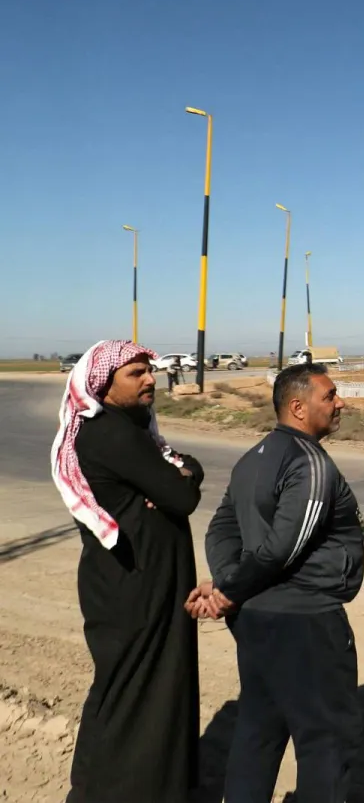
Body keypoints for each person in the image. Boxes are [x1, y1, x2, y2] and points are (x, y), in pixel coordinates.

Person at [198, 361, 364, 803]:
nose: (339, 403)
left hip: (256, 620)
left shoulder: (252, 457)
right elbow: (282, 549)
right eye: (329, 396)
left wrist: (226, 588)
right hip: (306, 624)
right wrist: (228, 592)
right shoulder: (310, 463)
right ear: (297, 407)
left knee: (258, 732)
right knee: (325, 741)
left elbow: (220, 532)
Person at [50, 340, 205, 803]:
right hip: (133, 587)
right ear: (104, 384)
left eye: (149, 371)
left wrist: (183, 472)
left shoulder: (131, 431)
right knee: (131, 691)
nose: (150, 379)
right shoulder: (112, 434)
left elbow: (182, 474)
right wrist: (182, 476)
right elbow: (184, 497)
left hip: (140, 583)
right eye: (136, 373)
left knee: (151, 688)